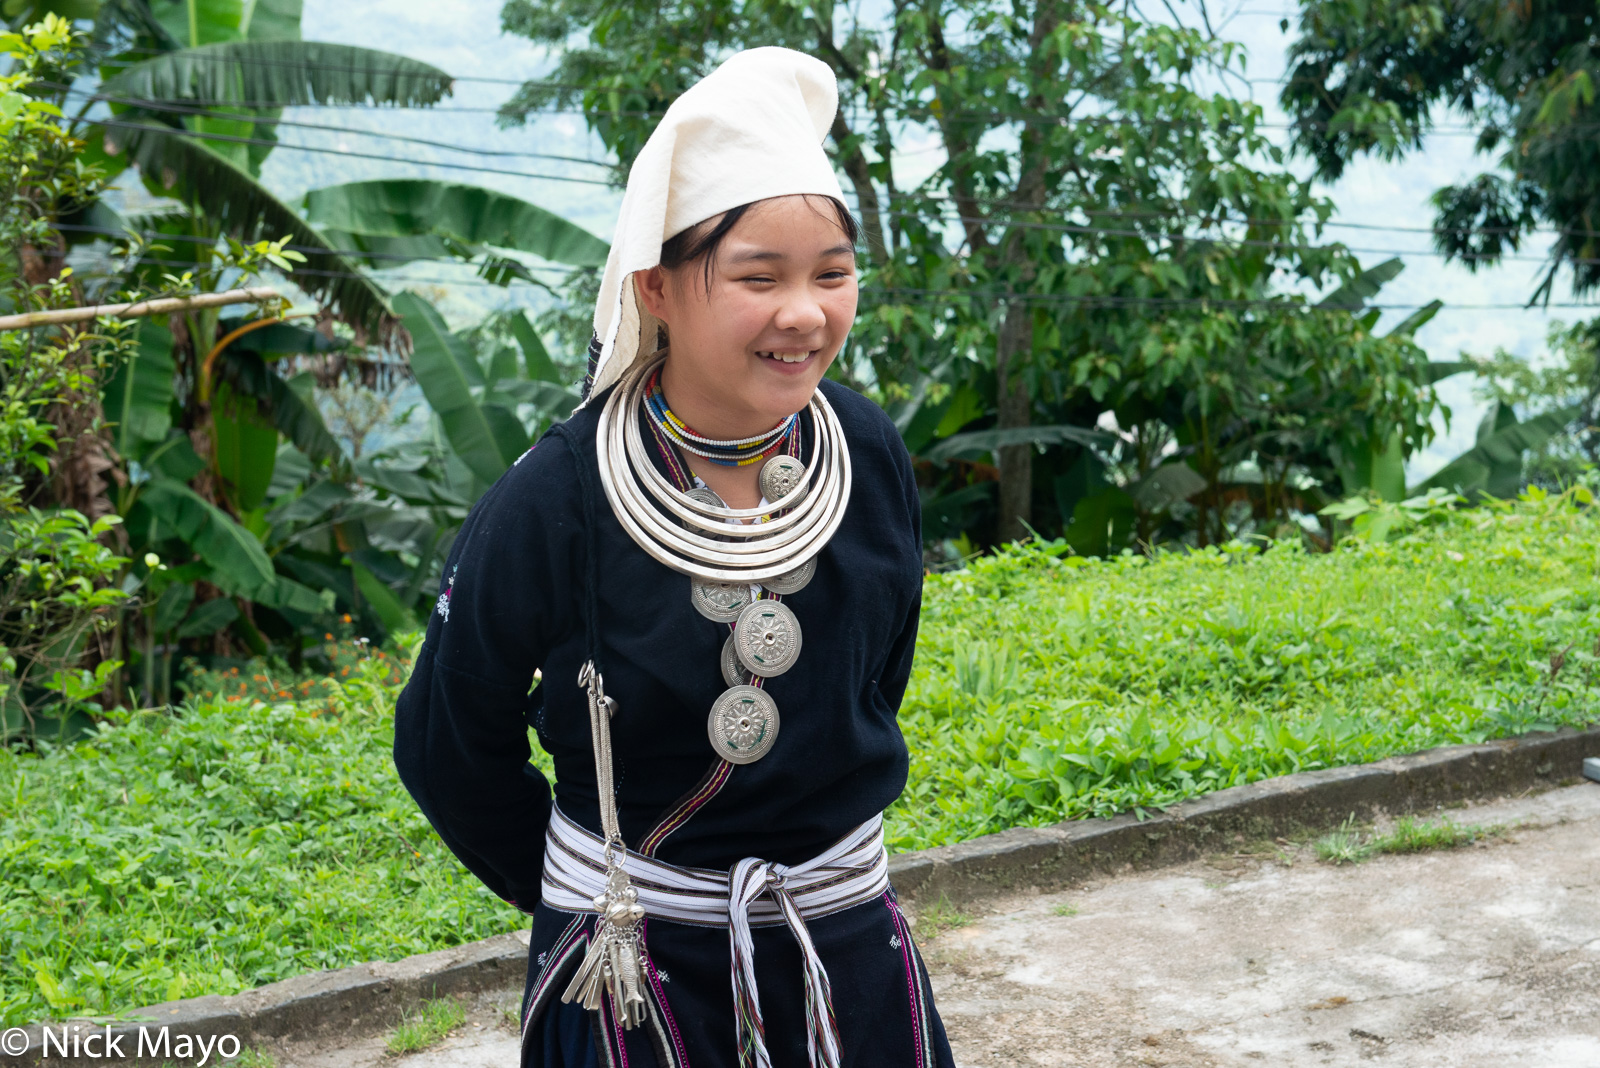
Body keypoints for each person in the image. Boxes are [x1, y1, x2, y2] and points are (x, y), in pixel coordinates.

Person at [393, 46, 955, 1068]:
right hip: (632, 970)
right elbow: (445, 745)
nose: (806, 312)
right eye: (758, 276)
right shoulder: (555, 499)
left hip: (843, 948)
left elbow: (872, 680)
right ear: (656, 286)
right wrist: (600, 893)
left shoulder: (865, 453)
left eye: (833, 273)